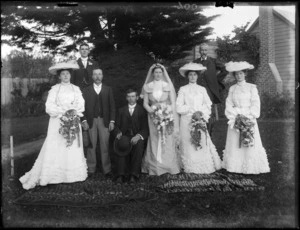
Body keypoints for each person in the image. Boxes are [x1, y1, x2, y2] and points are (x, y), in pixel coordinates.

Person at [19, 61, 88, 190]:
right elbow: (49, 107)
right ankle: (54, 175)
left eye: (67, 74)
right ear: (59, 76)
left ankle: (71, 175)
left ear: (70, 75)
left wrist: (72, 113)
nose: (66, 76)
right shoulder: (55, 90)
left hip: (73, 120)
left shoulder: (76, 89)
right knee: (57, 145)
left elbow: (81, 105)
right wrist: (64, 113)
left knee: (71, 146)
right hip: (58, 122)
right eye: (63, 74)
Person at [222, 61, 270, 174]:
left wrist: (247, 116)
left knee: (248, 140)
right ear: (234, 76)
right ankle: (235, 166)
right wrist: (235, 115)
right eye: (237, 74)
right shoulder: (232, 88)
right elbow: (228, 103)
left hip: (248, 118)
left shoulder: (251, 88)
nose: (239, 76)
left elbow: (255, 104)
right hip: (236, 118)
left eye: (241, 74)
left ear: (245, 74)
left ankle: (249, 165)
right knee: (235, 142)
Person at [176, 63, 222, 174]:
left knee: (201, 140)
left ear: (197, 76)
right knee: (188, 141)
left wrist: (200, 113)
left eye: (194, 75)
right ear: (187, 76)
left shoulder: (202, 89)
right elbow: (178, 106)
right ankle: (188, 164)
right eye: (190, 75)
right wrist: (192, 111)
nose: (192, 77)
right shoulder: (183, 89)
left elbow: (208, 104)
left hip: (199, 118)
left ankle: (202, 163)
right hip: (187, 120)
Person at [141, 63, 181, 176]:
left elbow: (172, 102)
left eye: (160, 72)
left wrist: (166, 113)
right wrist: (153, 112)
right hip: (153, 116)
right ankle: (154, 165)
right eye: (156, 72)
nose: (158, 74)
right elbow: (145, 104)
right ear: (152, 74)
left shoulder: (167, 85)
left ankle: (168, 164)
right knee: (154, 138)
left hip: (166, 115)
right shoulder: (147, 86)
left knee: (167, 137)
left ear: (162, 74)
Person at [81, 68, 116, 177]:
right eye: (95, 74)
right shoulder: (86, 90)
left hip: (104, 121)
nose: (97, 76)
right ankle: (91, 169)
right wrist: (84, 120)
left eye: (99, 74)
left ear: (102, 76)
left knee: (105, 145)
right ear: (92, 77)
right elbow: (81, 107)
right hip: (91, 121)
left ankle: (107, 169)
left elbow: (112, 106)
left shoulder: (108, 89)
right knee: (91, 145)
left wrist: (112, 121)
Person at [113, 88, 149, 184]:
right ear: (126, 98)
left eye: (133, 96)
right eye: (129, 97)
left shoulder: (142, 111)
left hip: (136, 136)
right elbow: (116, 125)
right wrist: (118, 132)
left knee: (139, 146)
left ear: (137, 97)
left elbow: (145, 128)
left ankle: (134, 174)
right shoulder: (121, 110)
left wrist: (139, 136)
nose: (131, 99)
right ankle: (120, 175)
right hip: (124, 135)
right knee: (121, 144)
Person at [193, 43, 228, 136]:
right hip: (197, 91)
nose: (203, 52)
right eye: (202, 50)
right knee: (197, 109)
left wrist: (216, 80)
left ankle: (209, 132)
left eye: (205, 50)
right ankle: (198, 131)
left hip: (209, 90)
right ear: (199, 51)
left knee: (208, 111)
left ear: (207, 51)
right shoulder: (195, 62)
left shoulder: (213, 61)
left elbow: (225, 70)